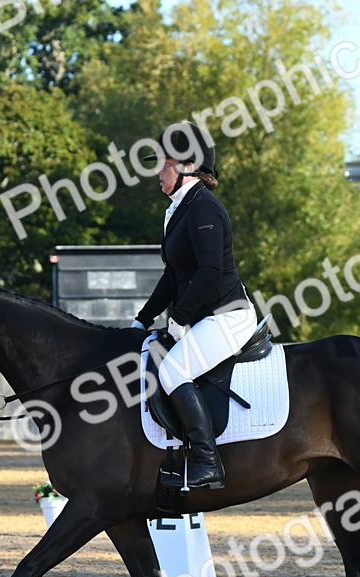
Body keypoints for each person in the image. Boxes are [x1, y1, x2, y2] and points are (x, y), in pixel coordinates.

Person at [131, 121, 259, 490]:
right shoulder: (179, 208)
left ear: (187, 165)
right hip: (202, 316)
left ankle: (208, 461)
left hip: (227, 316)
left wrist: (179, 320)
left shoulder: (203, 208)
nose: (157, 170)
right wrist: (142, 320)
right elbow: (174, 275)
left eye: (163, 163)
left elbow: (209, 272)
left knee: (173, 372)